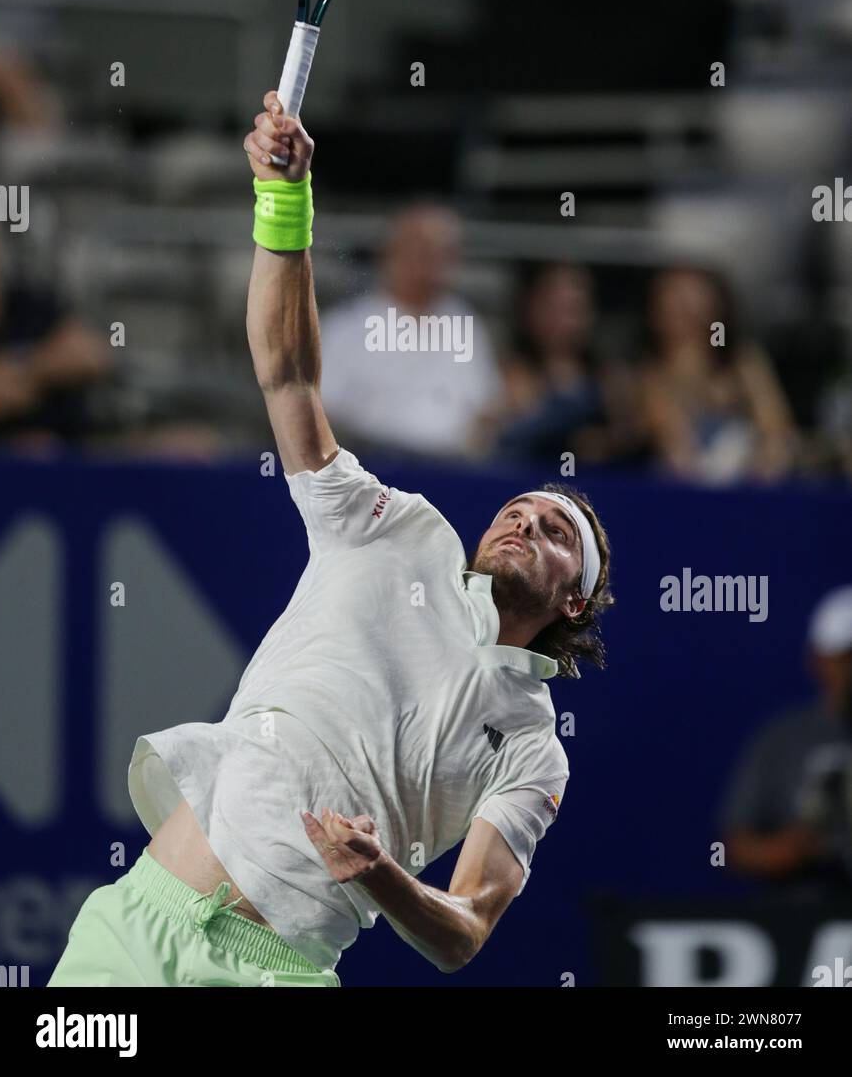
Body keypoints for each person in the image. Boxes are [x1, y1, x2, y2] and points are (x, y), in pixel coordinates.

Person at [47, 92, 614, 988]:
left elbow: (465, 930)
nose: (523, 519)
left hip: (279, 972)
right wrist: (284, 199)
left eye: (555, 532)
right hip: (135, 925)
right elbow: (289, 376)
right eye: (518, 507)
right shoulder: (397, 531)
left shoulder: (531, 745)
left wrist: (383, 874)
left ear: (572, 601)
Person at [319, 203, 502, 461]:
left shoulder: (465, 322)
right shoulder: (343, 328)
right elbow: (322, 413)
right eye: (423, 250)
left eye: (444, 253)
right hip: (370, 470)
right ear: (391, 253)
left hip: (452, 472)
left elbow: (486, 405)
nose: (434, 264)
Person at [720, 586, 852, 901]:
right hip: (801, 926)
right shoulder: (782, 740)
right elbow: (731, 846)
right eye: (845, 656)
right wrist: (789, 849)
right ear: (819, 660)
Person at [638, 265, 798, 483]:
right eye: (673, 294)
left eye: (691, 293)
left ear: (717, 305)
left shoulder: (743, 361)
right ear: (655, 312)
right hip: (682, 484)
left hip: (747, 481)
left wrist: (765, 466)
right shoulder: (650, 372)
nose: (683, 303)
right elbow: (667, 433)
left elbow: (775, 427)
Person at [493, 261, 638, 468]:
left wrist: (605, 442)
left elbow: (628, 437)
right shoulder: (512, 374)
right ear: (532, 309)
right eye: (554, 306)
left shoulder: (609, 379)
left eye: (573, 308)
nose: (563, 320)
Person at [0, 228, 112, 451]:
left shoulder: (27, 304)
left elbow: (93, 354)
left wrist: (26, 368)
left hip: (68, 455)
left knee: (184, 446)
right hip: (0, 461)